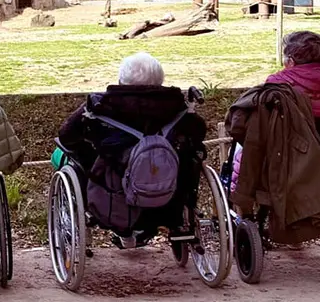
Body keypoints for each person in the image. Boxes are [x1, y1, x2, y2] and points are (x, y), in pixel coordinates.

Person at [56, 52, 207, 242]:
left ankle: (121, 230)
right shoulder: (178, 108)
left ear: (121, 80)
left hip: (113, 205)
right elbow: (199, 134)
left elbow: (66, 136)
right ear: (160, 80)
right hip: (170, 199)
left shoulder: (101, 106)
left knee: (68, 154)